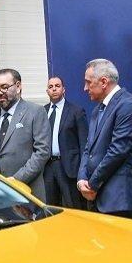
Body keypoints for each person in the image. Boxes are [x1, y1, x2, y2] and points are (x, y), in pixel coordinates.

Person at [77, 59, 132, 218]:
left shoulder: (128, 104)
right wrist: (81, 179)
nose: (85, 88)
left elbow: (118, 151)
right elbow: (88, 149)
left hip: (117, 198)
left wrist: (92, 184)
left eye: (88, 82)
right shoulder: (97, 110)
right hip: (96, 196)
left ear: (103, 82)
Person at [0, 68, 51, 200]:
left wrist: (16, 180)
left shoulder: (36, 112)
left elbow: (42, 152)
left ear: (18, 86)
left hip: (27, 193)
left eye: (4, 87)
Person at [44, 76, 88, 208]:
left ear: (64, 89)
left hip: (69, 167)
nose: (54, 89)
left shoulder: (76, 111)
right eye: (50, 87)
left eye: (57, 86)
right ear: (47, 91)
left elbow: (84, 144)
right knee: (50, 208)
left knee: (74, 206)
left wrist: (84, 171)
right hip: (47, 167)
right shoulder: (42, 112)